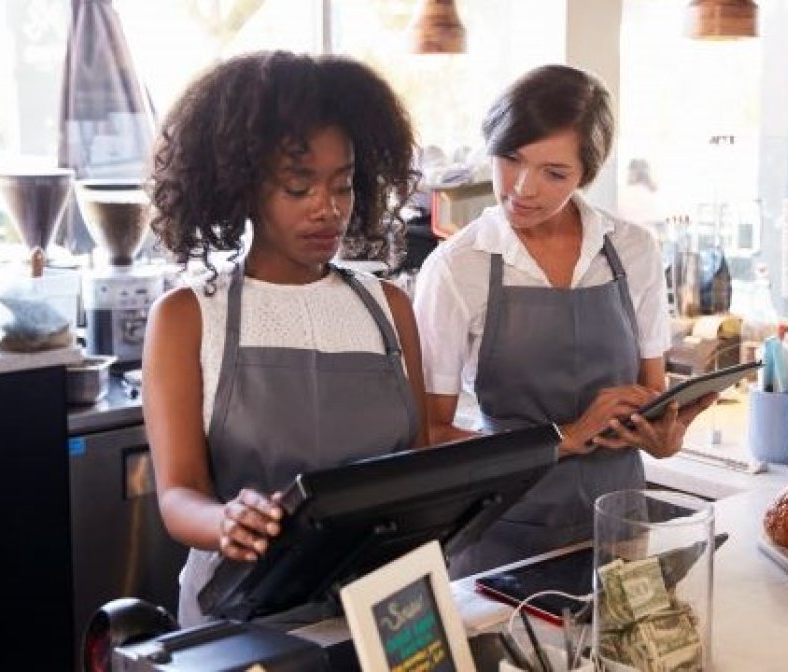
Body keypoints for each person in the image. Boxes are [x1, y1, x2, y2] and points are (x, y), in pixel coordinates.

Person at [142, 50, 427, 627]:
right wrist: (225, 521)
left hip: (382, 608)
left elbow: (418, 470)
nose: (329, 209)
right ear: (244, 188)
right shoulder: (187, 317)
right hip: (241, 612)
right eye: (299, 187)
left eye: (343, 185)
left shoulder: (389, 308)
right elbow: (178, 494)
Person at [413, 64, 715, 578]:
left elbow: (652, 394)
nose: (522, 188)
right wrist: (563, 437)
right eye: (511, 158)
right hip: (504, 532)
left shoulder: (633, 250)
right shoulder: (457, 267)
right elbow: (429, 434)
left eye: (554, 173)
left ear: (585, 175)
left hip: (621, 525)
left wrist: (664, 436)